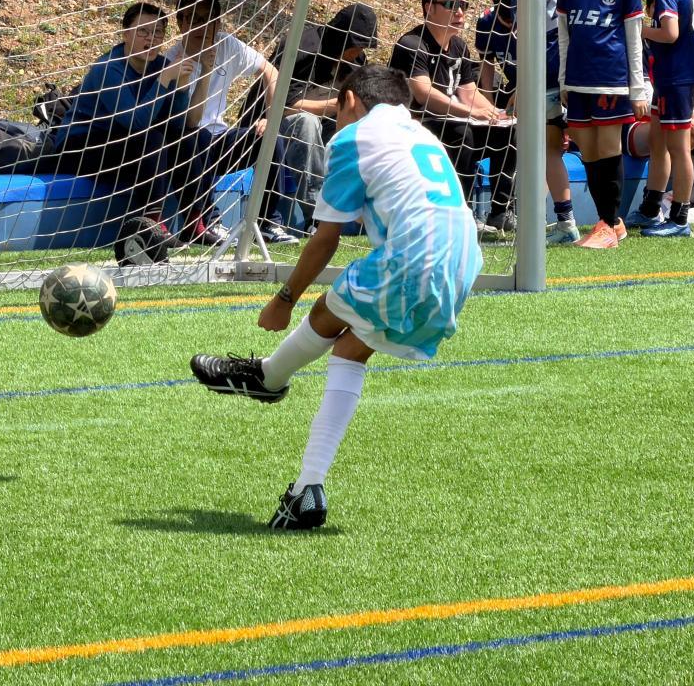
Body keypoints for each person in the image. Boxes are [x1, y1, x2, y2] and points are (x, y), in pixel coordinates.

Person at [188, 64, 482, 530]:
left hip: (412, 260)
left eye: (337, 111)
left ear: (349, 101)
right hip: (464, 264)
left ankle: (269, 376)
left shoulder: (353, 138)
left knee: (328, 307)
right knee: (350, 348)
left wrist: (284, 300)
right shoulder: (425, 137)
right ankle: (307, 490)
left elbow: (326, 239)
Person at [47, 2, 193, 243]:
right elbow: (135, 122)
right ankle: (152, 225)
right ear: (126, 34)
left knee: (190, 138)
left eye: (157, 32)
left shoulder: (160, 66)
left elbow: (177, 124)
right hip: (80, 147)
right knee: (152, 139)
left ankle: (196, 222)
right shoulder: (108, 68)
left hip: (124, 144)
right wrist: (165, 79)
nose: (151, 38)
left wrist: (182, 87)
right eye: (143, 31)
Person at [165, 0, 298, 246]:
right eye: (194, 19)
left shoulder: (227, 45)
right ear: (181, 22)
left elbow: (271, 72)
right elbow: (190, 121)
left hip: (220, 139)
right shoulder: (172, 61)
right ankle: (207, 221)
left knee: (270, 138)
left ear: (218, 22)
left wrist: (270, 118)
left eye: (209, 19)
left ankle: (268, 222)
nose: (202, 26)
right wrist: (206, 69)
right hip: (185, 147)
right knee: (197, 136)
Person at [389, 0, 516, 234]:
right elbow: (424, 94)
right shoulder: (411, 44)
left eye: (463, 5)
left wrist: (495, 113)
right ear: (429, 7)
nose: (459, 12)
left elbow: (468, 91)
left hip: (451, 121)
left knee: (508, 132)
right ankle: (462, 212)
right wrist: (472, 112)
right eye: (451, 4)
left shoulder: (458, 45)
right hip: (416, 126)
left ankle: (500, 212)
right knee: (462, 134)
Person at [474, 0, 579, 244]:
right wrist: (492, 100)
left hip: (560, 80)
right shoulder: (490, 22)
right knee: (548, 148)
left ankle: (604, 221)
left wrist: (523, 87)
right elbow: (488, 65)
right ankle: (556, 218)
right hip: (547, 84)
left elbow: (540, 47)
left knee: (583, 146)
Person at [556, 0, 647, 249]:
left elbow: (634, 38)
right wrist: (564, 80)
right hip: (578, 81)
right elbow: (563, 36)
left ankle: (608, 225)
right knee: (590, 151)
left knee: (609, 149)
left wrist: (637, 88)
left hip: (612, 80)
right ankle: (611, 222)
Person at [624, 0, 694, 237]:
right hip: (672, 77)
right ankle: (650, 209)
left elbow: (670, 33)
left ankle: (679, 217)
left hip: (675, 79)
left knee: (678, 148)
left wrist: (638, 29)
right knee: (658, 142)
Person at [266, 3, 375, 232]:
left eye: (363, 47)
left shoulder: (355, 61)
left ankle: (369, 213)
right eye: (355, 46)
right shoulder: (302, 48)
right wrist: (334, 106)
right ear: (340, 38)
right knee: (307, 122)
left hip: (325, 127)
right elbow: (282, 106)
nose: (357, 53)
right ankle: (317, 216)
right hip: (273, 127)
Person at [625, 82, 694, 224]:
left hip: (678, 119)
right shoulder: (645, 66)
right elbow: (645, 102)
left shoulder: (690, 66)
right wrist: (689, 124)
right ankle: (651, 207)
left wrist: (693, 123)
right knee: (667, 133)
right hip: (638, 123)